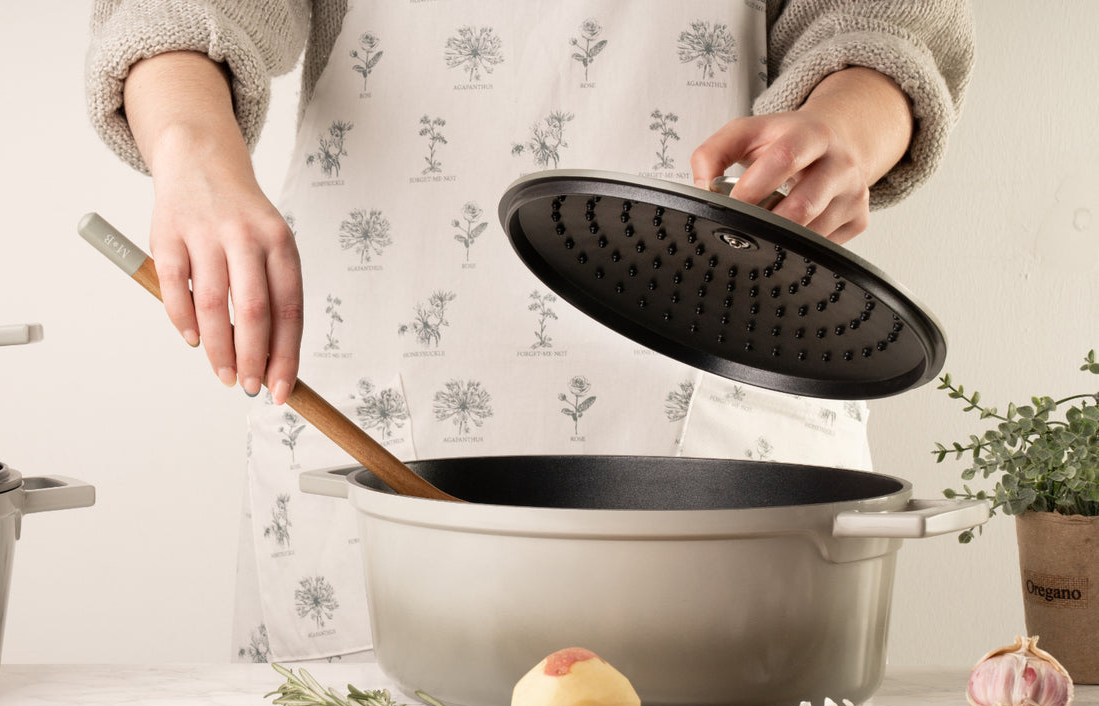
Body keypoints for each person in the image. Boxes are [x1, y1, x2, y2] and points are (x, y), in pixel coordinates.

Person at [86, 2, 975, 664]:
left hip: (716, 391)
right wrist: (193, 155)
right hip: (390, 376)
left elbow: (883, 23)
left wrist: (844, 129)